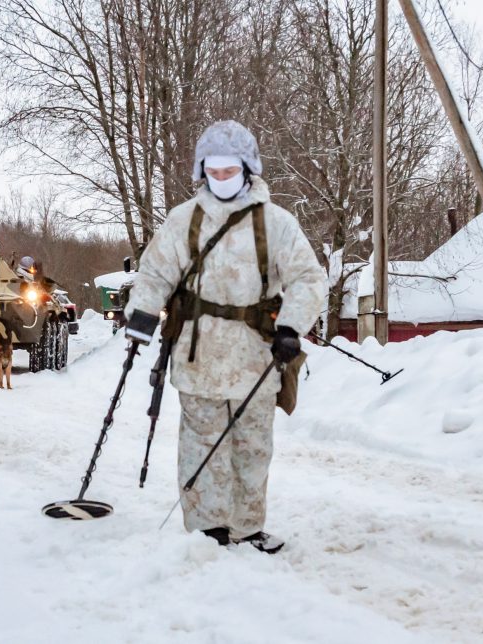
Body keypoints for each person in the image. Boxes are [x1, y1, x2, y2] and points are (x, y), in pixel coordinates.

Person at [124, 120, 326, 553]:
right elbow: (155, 272)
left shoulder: (276, 223)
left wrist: (291, 327)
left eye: (228, 171)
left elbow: (309, 278)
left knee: (252, 448)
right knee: (200, 447)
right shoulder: (185, 221)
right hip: (198, 358)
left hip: (256, 357)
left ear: (247, 169)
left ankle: (248, 528)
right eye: (212, 172)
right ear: (202, 171)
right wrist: (140, 317)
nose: (220, 179)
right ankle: (207, 532)